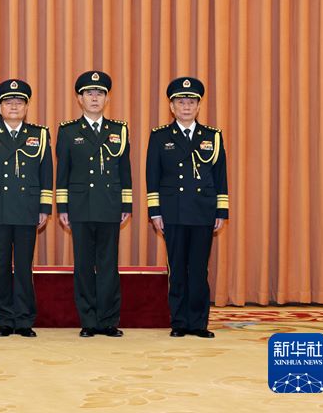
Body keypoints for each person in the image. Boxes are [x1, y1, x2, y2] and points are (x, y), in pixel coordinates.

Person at [146, 77, 229, 339]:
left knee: (199, 269)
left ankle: (199, 323)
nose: (186, 106)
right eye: (180, 101)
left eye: (191, 101)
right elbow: (153, 176)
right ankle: (179, 322)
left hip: (203, 211)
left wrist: (221, 211)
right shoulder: (160, 136)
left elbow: (221, 176)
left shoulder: (212, 136)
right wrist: (155, 211)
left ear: (198, 106)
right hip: (173, 212)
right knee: (178, 268)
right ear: (171, 106)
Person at [55, 71, 132, 338]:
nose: (95, 98)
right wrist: (62, 207)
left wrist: (127, 203)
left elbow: (125, 170)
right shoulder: (67, 131)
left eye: (100, 93)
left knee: (109, 264)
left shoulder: (119, 130)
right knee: (84, 265)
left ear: (107, 98)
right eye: (89, 93)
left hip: (110, 205)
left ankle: (108, 320)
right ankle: (88, 319)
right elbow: (61, 172)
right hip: (80, 206)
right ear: (80, 99)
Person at [0, 80, 52, 337]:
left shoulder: (39, 134)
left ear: (27, 106)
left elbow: (46, 173)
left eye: (19, 102)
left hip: (29, 209)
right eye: (9, 102)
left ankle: (25, 319)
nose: (14, 106)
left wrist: (44, 207)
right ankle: (4, 319)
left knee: (24, 265)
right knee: (2, 264)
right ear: (0, 107)